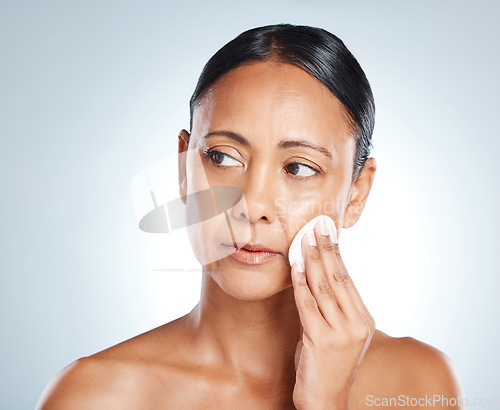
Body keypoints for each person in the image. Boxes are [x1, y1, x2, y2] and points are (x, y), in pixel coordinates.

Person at [37, 24, 464, 409]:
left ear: (357, 194)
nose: (253, 205)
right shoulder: (93, 396)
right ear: (183, 167)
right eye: (222, 157)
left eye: (298, 167)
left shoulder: (418, 384)